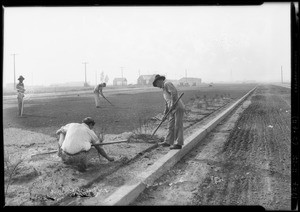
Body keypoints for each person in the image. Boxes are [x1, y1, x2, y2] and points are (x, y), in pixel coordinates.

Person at [152, 74, 185, 150]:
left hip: (177, 107)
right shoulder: (163, 90)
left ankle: (178, 144)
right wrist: (165, 114)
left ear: (160, 81)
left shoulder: (167, 84)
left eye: (156, 84)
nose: (157, 86)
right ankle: (168, 142)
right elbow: (167, 103)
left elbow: (174, 92)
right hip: (172, 109)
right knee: (170, 125)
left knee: (178, 125)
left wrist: (173, 104)